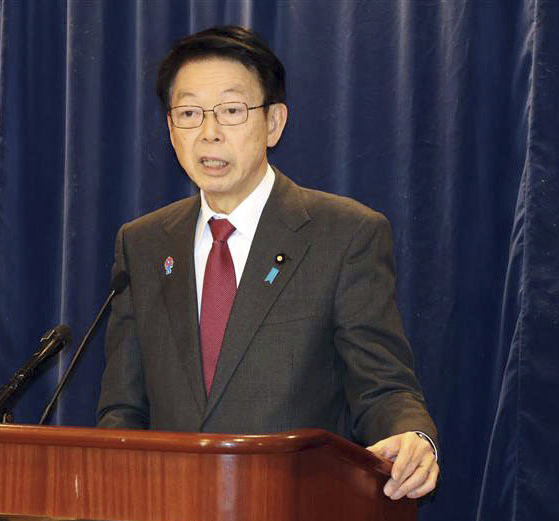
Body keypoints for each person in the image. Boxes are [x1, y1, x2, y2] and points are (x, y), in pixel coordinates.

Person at [98, 26, 439, 500]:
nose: (209, 132)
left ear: (274, 122)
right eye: (190, 113)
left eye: (232, 111)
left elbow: (383, 388)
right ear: (170, 129)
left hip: (294, 504)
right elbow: (122, 409)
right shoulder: (144, 243)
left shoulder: (345, 234)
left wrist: (413, 439)